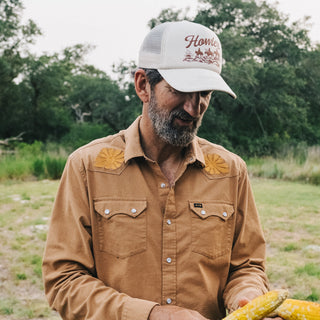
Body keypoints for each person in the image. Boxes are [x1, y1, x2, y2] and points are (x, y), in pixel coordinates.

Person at [42, 21, 273, 320]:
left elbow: (246, 267)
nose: (194, 108)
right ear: (142, 85)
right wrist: (152, 315)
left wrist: (247, 294)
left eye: (204, 93)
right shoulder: (88, 167)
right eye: (180, 90)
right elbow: (64, 281)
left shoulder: (230, 171)